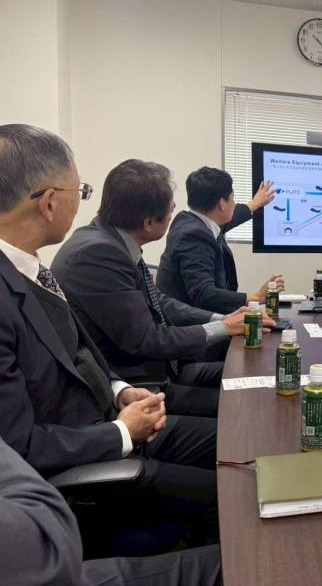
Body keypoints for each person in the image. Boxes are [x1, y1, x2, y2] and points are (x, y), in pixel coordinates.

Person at [0, 124, 219, 556]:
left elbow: (77, 351)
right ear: (49, 202)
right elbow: (19, 445)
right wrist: (121, 432)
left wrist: (118, 390)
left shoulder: (30, 268)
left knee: (234, 444)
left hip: (112, 416)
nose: (83, 202)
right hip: (89, 454)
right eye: (79, 191)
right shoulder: (26, 281)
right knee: (231, 493)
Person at [51, 159, 275, 417]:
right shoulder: (100, 254)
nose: (174, 214)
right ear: (149, 223)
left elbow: (159, 300)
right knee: (245, 409)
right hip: (137, 390)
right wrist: (224, 327)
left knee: (259, 379)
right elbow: (149, 339)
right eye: (170, 209)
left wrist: (221, 319)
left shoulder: (112, 240)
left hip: (161, 370)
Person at [0, 435, 222, 586]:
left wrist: (119, 394)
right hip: (52, 564)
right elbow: (45, 551)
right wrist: (120, 432)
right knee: (229, 559)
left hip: (102, 426)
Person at [158, 166, 285, 314]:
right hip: (192, 323)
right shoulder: (194, 235)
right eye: (232, 198)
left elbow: (231, 219)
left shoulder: (188, 220)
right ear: (222, 203)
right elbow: (203, 293)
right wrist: (256, 297)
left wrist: (255, 204)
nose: (234, 203)